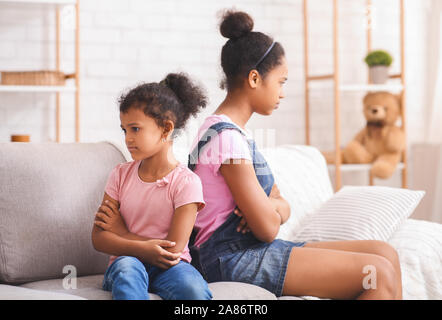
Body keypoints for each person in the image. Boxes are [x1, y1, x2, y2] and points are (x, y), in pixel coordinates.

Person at [187, 10, 403, 300]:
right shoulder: (227, 141)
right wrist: (271, 209)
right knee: (376, 273)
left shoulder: (233, 134)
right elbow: (267, 229)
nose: (283, 93)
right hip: (231, 258)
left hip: (249, 250)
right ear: (254, 78)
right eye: (281, 81)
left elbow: (280, 205)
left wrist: (271, 206)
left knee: (384, 253)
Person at [91, 73, 212, 300]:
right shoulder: (119, 175)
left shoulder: (187, 183)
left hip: (171, 267)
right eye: (124, 130)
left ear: (166, 129)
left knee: (193, 290)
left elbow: (172, 250)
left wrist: (124, 234)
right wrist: (141, 249)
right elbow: (98, 238)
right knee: (127, 271)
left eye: (135, 129)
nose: (127, 138)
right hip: (127, 262)